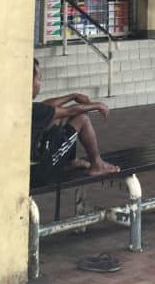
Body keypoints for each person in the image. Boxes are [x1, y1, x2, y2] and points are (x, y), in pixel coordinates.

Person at [30, 58, 120, 187]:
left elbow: (46, 106)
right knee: (82, 118)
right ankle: (97, 165)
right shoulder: (35, 110)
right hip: (40, 173)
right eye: (39, 79)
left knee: (55, 118)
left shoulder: (23, 105)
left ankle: (71, 161)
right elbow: (70, 111)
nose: (40, 83)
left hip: (31, 169)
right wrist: (98, 105)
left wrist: (73, 96)